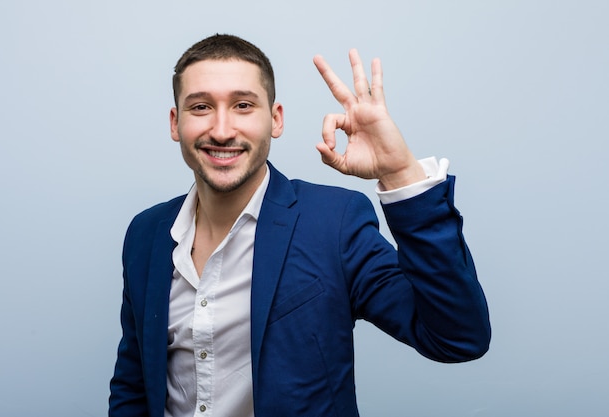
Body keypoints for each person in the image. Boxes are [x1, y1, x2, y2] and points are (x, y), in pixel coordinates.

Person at [108, 33, 490, 417]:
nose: (222, 130)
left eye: (243, 105)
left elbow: (457, 338)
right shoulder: (146, 234)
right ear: (176, 123)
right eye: (201, 107)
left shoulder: (334, 223)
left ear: (276, 119)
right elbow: (134, 384)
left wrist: (400, 173)